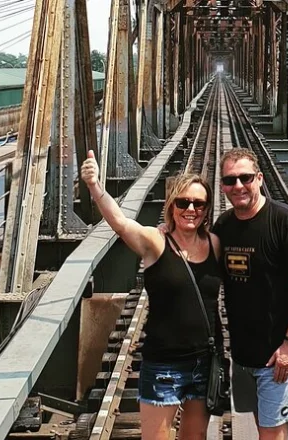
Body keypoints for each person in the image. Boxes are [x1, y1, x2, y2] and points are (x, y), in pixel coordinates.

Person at [80, 150, 222, 440]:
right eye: (183, 202)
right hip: (164, 365)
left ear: (207, 209)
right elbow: (120, 223)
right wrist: (95, 186)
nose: (191, 209)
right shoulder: (156, 242)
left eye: (199, 204)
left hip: (204, 363)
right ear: (171, 206)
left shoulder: (215, 244)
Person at [212, 148, 288, 440]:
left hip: (277, 353)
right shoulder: (224, 225)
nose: (238, 186)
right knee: (263, 426)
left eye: (245, 178)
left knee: (272, 433)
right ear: (222, 186)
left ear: (259, 178)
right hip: (244, 354)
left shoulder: (285, 221)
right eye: (230, 180)